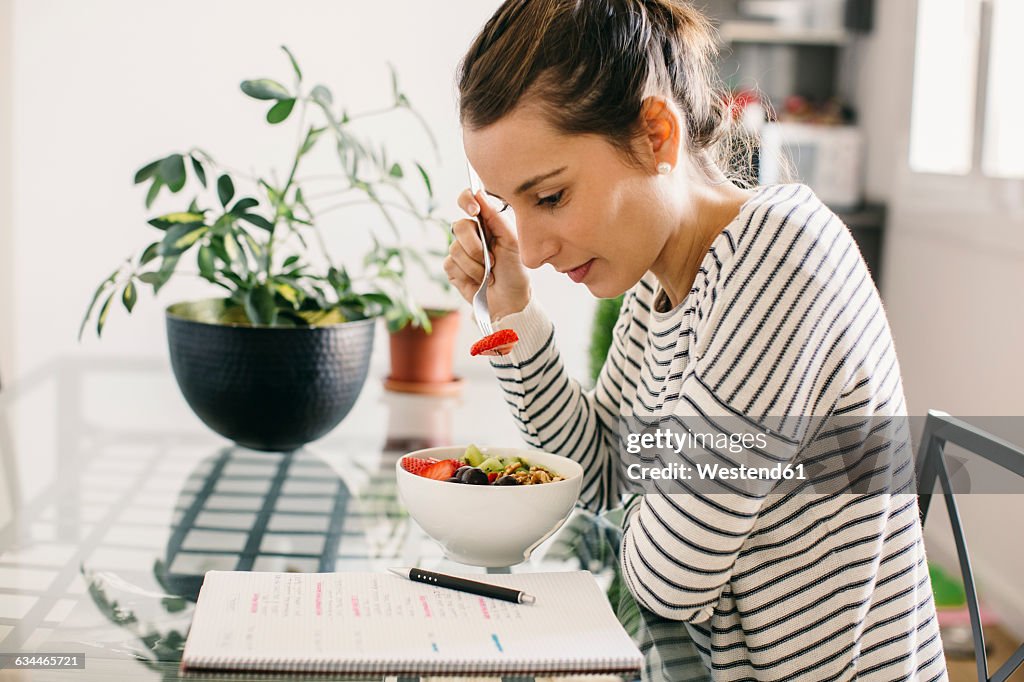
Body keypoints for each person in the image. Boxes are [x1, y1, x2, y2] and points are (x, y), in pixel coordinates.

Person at [444, 1, 947, 680]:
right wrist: (512, 312)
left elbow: (669, 576)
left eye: (552, 196)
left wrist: (652, 488)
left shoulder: (779, 257)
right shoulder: (659, 293)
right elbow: (597, 475)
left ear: (656, 134)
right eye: (511, 206)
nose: (530, 250)